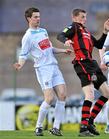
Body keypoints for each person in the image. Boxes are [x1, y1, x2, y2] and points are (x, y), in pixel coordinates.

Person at [13, 7, 72, 136]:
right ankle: (38, 127)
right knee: (49, 98)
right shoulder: (27, 37)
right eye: (35, 17)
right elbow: (23, 55)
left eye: (39, 16)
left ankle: (56, 128)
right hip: (43, 69)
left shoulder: (43, 31)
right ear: (29, 19)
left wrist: (63, 51)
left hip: (54, 67)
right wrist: (20, 64)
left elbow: (50, 48)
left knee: (62, 95)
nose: (38, 19)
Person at [57, 8, 109, 137]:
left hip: (92, 64)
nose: (85, 19)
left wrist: (105, 31)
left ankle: (90, 121)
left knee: (107, 93)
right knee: (90, 95)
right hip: (82, 63)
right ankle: (83, 128)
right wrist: (66, 40)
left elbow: (99, 45)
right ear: (75, 18)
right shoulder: (74, 27)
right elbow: (60, 35)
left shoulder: (87, 32)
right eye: (82, 17)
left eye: (85, 16)